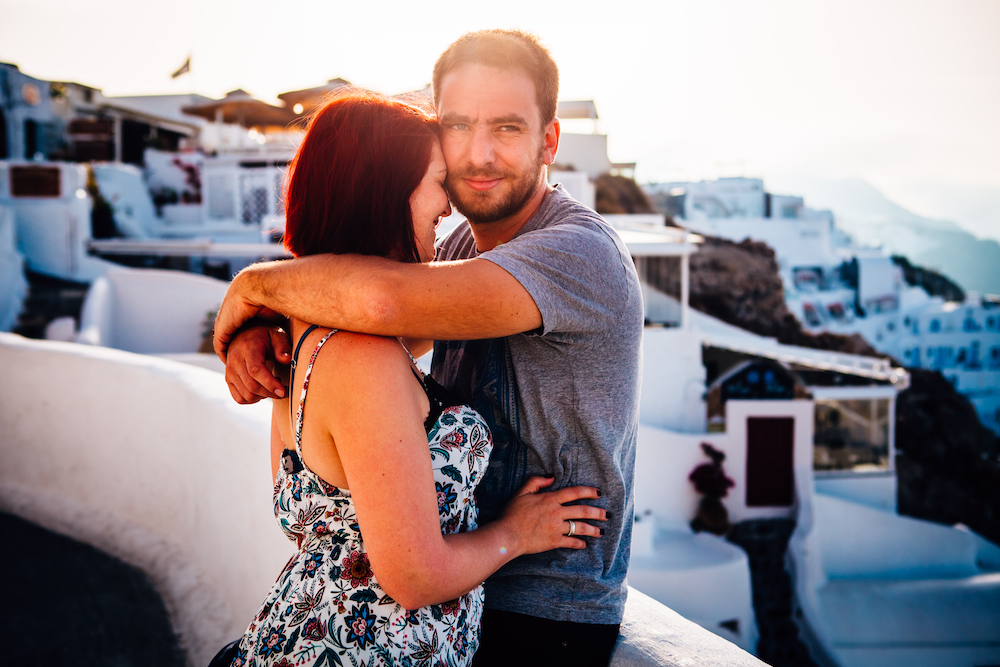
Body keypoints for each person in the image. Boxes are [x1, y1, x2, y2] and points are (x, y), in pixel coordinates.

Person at [215, 30, 643, 666]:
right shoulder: (455, 252)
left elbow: (382, 305)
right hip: (446, 596)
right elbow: (366, 327)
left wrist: (255, 289)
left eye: (506, 128)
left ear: (548, 141)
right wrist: (262, 326)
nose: (479, 154)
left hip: (543, 606)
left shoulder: (579, 254)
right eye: (460, 124)